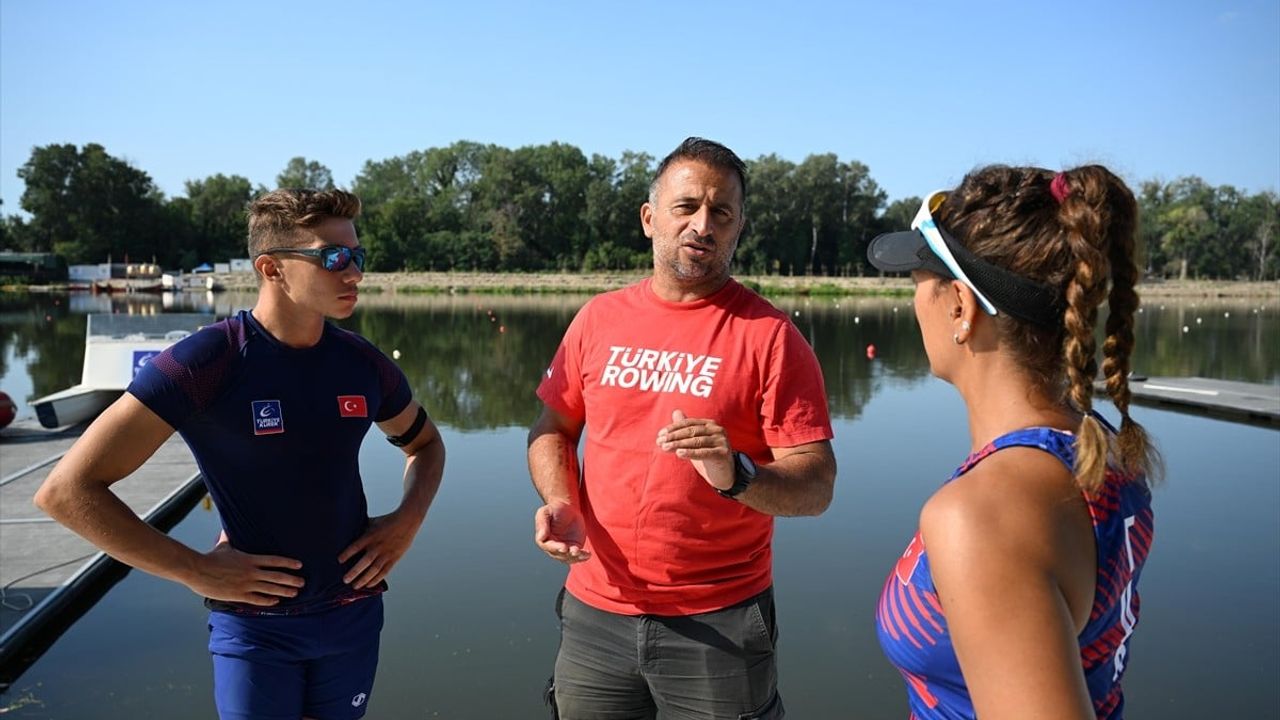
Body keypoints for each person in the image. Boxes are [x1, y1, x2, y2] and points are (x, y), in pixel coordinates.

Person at [35, 189, 445, 720]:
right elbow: (67, 492)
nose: (354, 274)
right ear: (271, 268)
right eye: (334, 258)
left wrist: (407, 519)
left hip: (353, 616)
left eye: (358, 257)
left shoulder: (361, 363)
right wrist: (193, 569)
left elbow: (426, 445)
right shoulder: (208, 362)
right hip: (256, 628)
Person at [528, 137, 837, 720]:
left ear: (739, 227)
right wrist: (561, 500)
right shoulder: (597, 319)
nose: (702, 224)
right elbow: (552, 428)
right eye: (686, 206)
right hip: (594, 612)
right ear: (650, 219)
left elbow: (817, 485)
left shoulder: (770, 337)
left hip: (718, 624)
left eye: (721, 212)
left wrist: (735, 473)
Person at [867, 165, 1159, 719]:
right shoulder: (1105, 449)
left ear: (960, 305)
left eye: (917, 285)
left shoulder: (981, 517)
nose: (914, 305)